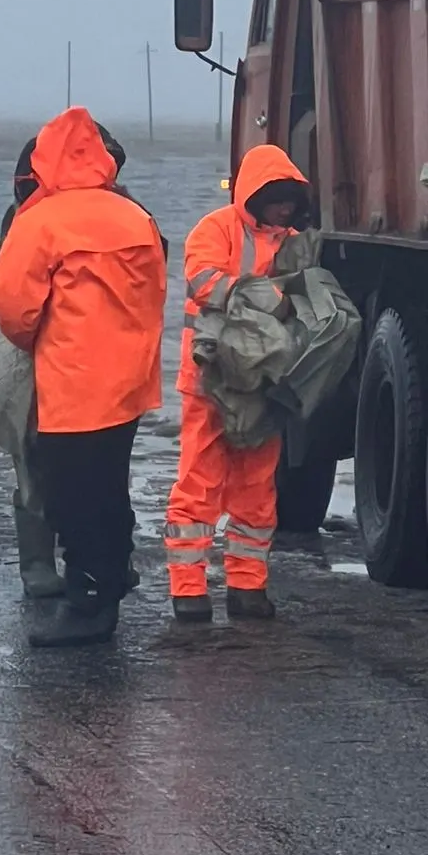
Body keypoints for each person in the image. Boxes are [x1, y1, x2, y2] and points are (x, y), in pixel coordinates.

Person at [0, 107, 168, 647]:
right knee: (110, 487)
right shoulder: (135, 216)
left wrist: (40, 344)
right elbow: (158, 286)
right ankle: (111, 578)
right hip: (130, 381)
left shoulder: (41, 220)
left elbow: (12, 306)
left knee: (72, 497)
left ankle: (90, 604)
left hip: (72, 384)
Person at [164, 145, 311, 623]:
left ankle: (248, 587)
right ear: (257, 196)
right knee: (199, 481)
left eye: (289, 202)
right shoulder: (216, 228)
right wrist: (270, 297)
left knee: (256, 485)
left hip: (262, 382)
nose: (284, 210)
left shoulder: (293, 240)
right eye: (277, 200)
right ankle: (189, 592)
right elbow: (202, 280)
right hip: (212, 378)